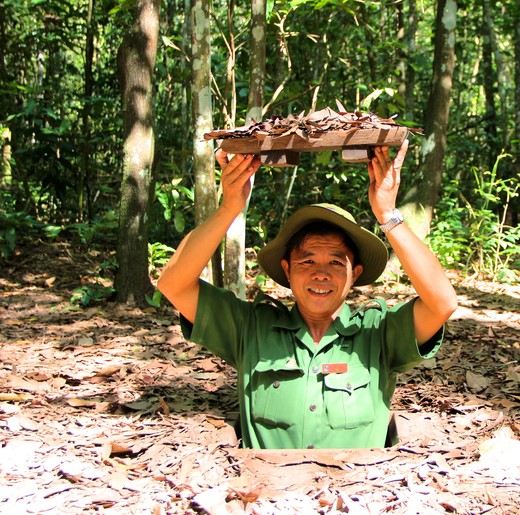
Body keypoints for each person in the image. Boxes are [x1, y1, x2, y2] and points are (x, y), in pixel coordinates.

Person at [157, 140, 458, 449]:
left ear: (355, 274)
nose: (321, 273)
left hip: (358, 491)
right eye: (307, 260)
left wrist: (389, 214)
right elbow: (174, 285)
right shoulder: (250, 329)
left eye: (336, 262)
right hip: (266, 492)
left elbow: (442, 303)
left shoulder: (377, 334)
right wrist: (229, 208)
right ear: (287, 270)